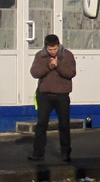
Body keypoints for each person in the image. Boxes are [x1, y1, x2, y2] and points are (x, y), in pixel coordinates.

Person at [28, 34, 77, 162]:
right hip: (44, 95)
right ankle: (38, 153)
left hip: (62, 95)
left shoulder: (67, 55)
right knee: (41, 124)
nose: (52, 52)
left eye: (54, 49)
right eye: (50, 50)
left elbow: (71, 73)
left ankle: (65, 153)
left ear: (58, 45)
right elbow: (35, 72)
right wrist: (49, 66)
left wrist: (58, 65)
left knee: (64, 124)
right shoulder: (40, 56)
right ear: (46, 47)